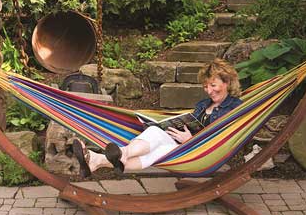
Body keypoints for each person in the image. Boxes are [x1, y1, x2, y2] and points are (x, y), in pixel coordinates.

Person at [72, 58, 243, 178]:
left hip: (198, 152)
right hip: (177, 149)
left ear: (227, 82)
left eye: (213, 85)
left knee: (155, 138)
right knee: (157, 144)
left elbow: (223, 139)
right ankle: (98, 160)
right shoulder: (203, 104)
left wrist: (191, 140)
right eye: (205, 86)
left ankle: (114, 155)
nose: (209, 90)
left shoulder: (235, 107)